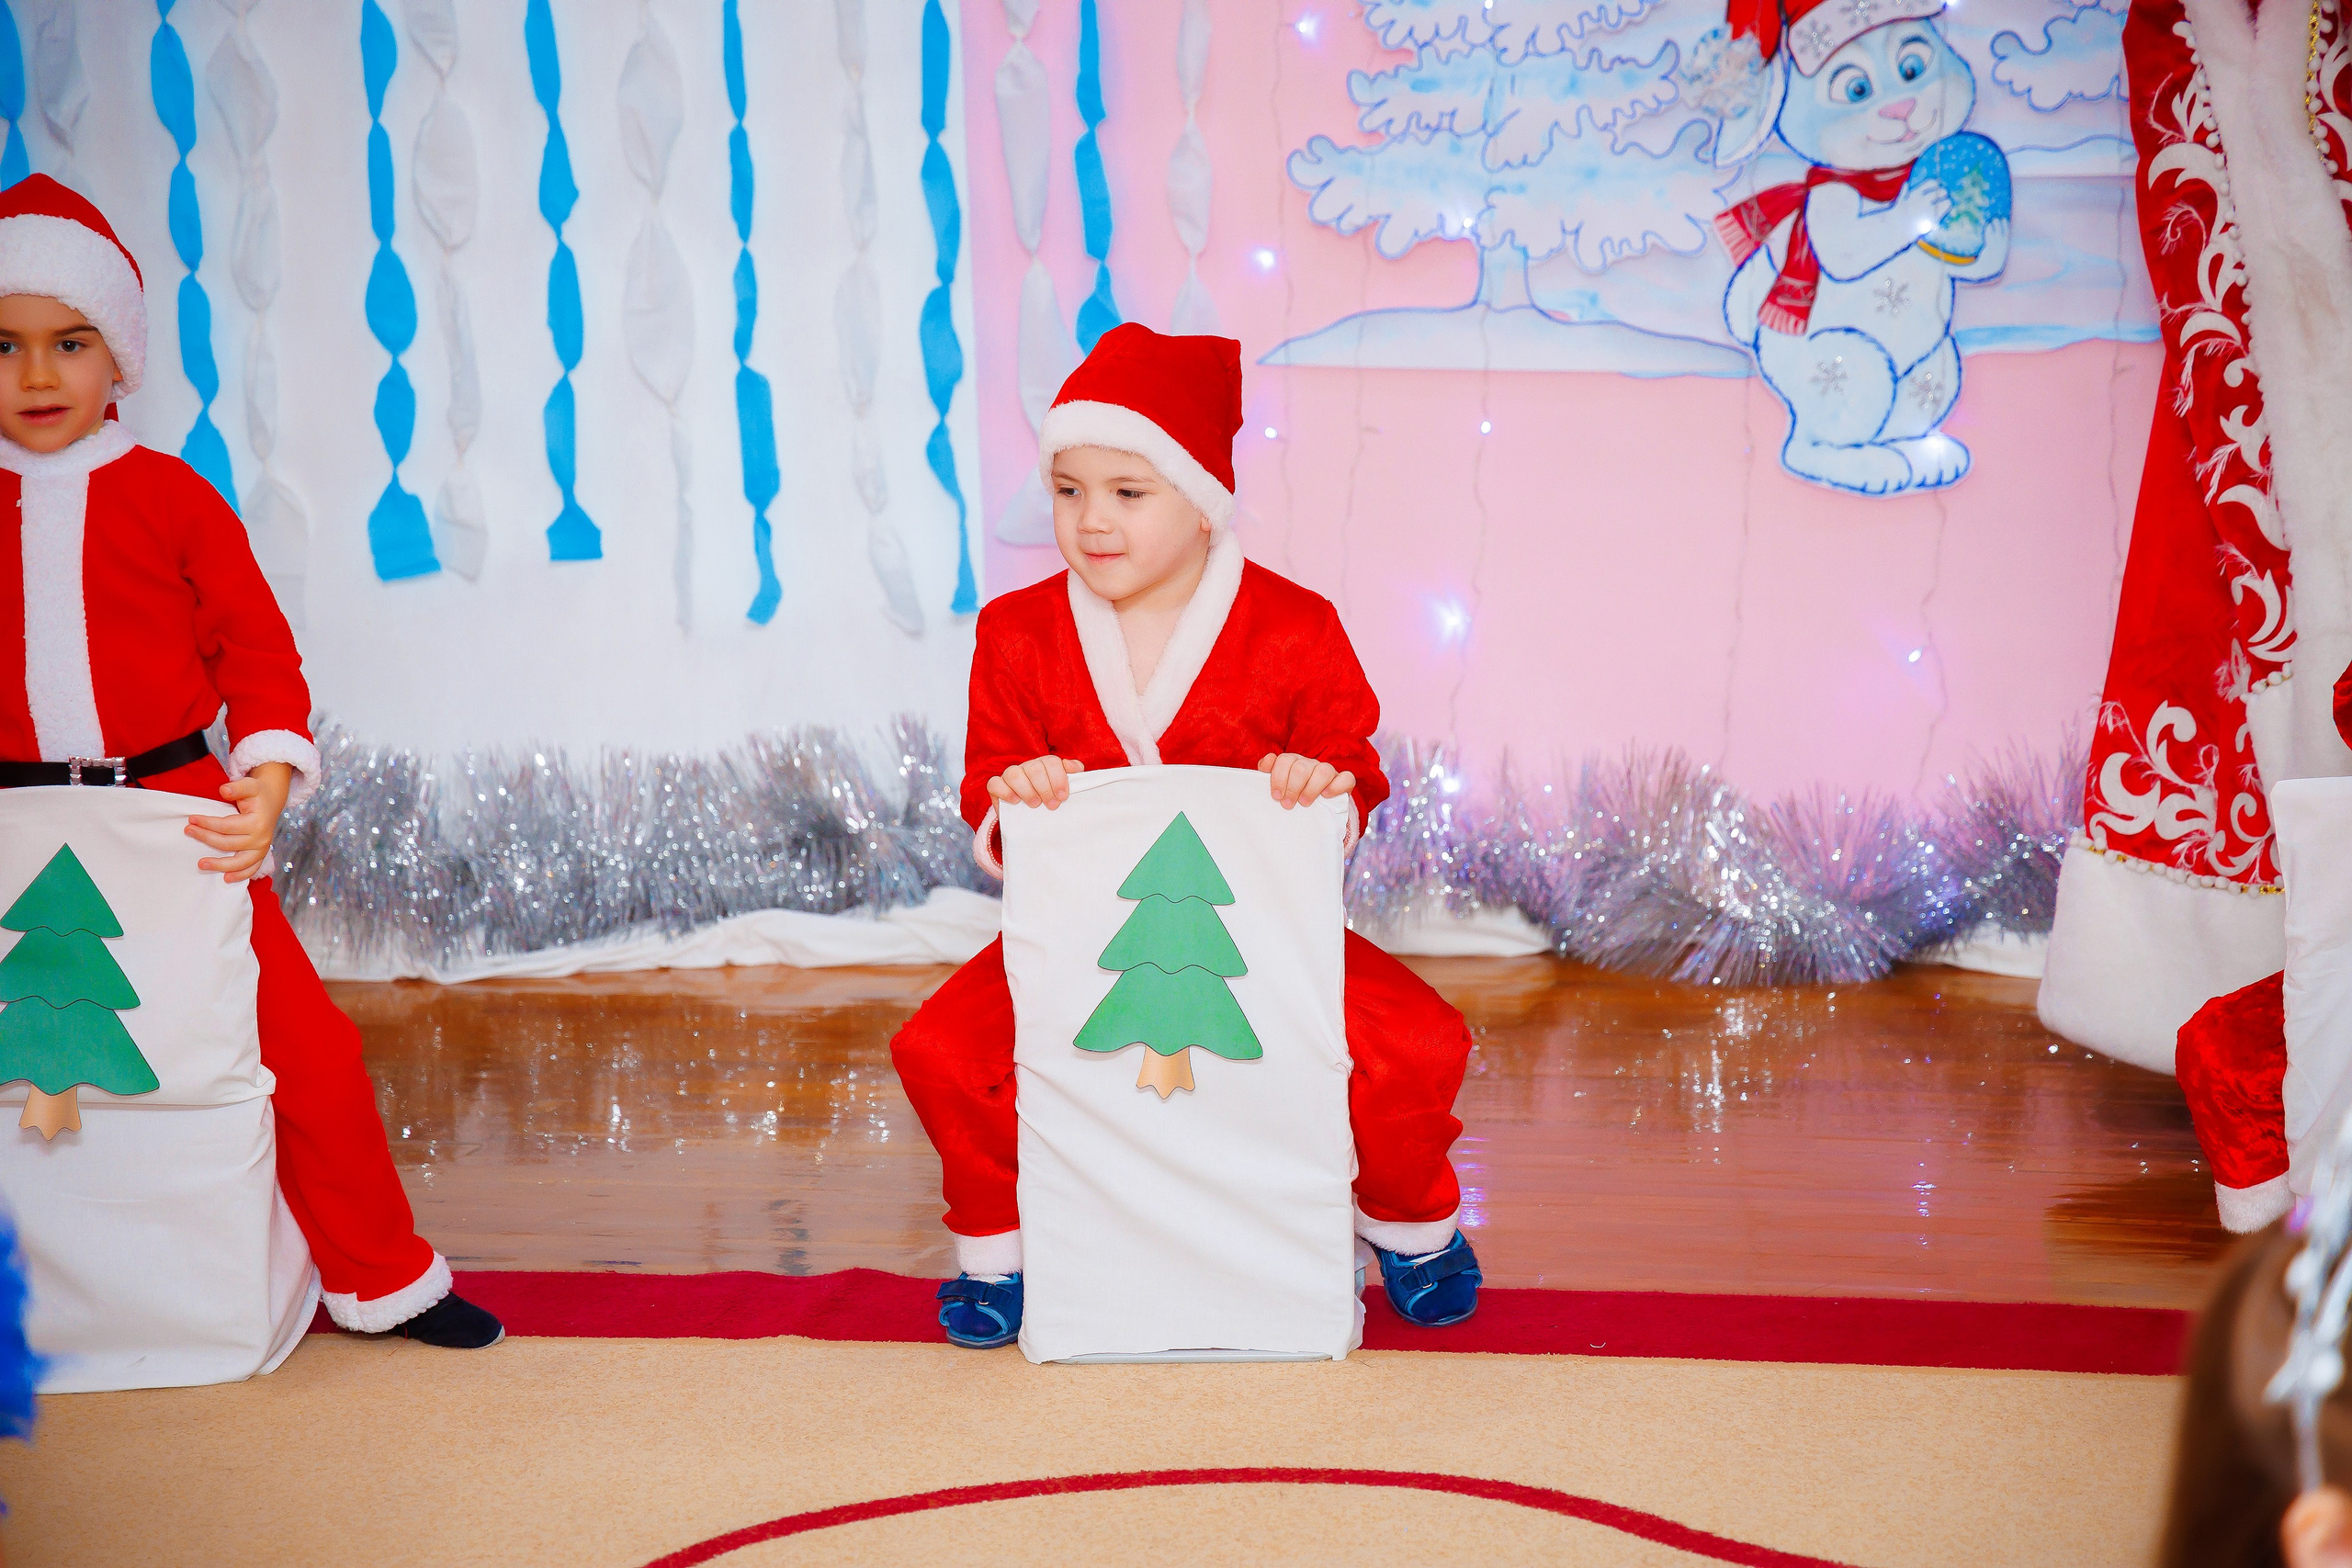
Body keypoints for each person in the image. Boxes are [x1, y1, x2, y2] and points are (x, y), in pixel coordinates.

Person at [889, 322, 1480, 1348]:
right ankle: (1004, 1248)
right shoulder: (1019, 633)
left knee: (1414, 1040)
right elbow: (985, 777)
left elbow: (1351, 754)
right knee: (942, 1047)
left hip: (1265, 935)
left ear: (1203, 501)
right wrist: (1012, 796)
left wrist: (1322, 784)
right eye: (1069, 491)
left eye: (1128, 492)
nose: (1091, 522)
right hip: (1078, 941)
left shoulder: (1294, 625)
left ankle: (1409, 1223)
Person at [0, 175, 499, 1348]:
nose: (36, 376)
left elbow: (260, 659)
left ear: (116, 358)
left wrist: (267, 776)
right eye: (7, 345)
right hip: (14, 828)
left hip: (179, 815)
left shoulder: (171, 498)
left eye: (68, 344)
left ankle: (381, 1276)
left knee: (303, 1048)